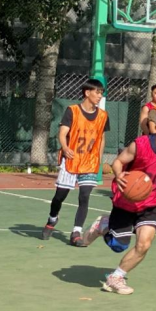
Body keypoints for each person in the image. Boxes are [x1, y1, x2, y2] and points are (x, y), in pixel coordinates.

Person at [81, 104, 156, 295]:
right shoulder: (141, 145)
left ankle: (116, 277)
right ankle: (103, 225)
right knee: (118, 245)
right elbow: (118, 162)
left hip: (152, 203)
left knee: (144, 244)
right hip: (127, 201)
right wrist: (119, 174)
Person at [41, 79, 110, 247]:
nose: (100, 96)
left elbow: (101, 138)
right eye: (97, 92)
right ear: (87, 93)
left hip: (90, 161)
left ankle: (76, 232)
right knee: (60, 196)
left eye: (101, 93)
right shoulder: (72, 111)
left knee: (84, 195)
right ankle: (52, 219)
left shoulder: (103, 116)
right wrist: (65, 148)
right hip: (72, 159)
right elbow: (62, 133)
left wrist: (99, 159)